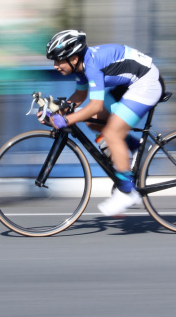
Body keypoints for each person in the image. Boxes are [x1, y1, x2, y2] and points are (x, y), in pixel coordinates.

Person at [43, 29, 163, 216]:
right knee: (93, 123)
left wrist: (65, 120)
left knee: (112, 133)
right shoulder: (81, 66)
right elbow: (80, 96)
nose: (55, 66)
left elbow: (95, 107)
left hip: (146, 84)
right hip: (129, 85)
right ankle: (135, 147)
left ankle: (127, 191)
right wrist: (53, 112)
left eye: (58, 60)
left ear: (73, 58)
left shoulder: (91, 66)